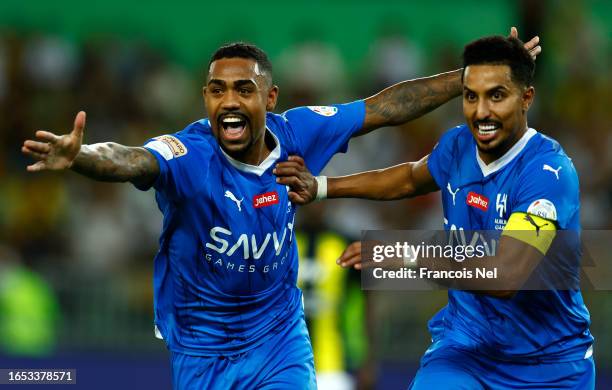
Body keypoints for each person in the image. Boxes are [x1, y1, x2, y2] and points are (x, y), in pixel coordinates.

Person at [21, 32, 540, 389]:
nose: (229, 101)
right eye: (217, 90)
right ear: (205, 98)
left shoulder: (299, 133)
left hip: (278, 336)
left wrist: (471, 76)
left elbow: (386, 106)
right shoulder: (188, 155)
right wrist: (82, 157)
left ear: (269, 97)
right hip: (202, 347)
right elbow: (129, 160)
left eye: (243, 90)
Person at [274, 35, 594, 388]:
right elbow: (410, 178)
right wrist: (322, 187)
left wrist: (407, 255)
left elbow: (505, 277)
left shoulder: (548, 173)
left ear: (526, 98)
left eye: (496, 96)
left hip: (549, 364)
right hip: (466, 350)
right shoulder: (457, 146)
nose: (482, 111)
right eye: (471, 96)